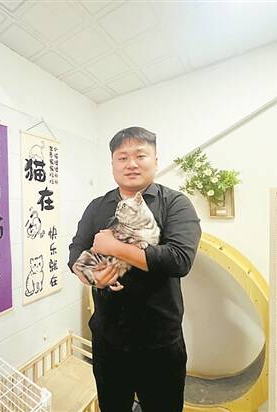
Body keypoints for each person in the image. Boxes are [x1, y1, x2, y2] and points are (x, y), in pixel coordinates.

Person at [68, 127, 201, 412]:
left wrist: (115, 247)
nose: (131, 164)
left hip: (160, 341)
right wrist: (91, 275)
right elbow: (75, 252)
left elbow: (179, 259)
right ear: (112, 164)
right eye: (122, 157)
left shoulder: (175, 204)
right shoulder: (97, 206)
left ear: (155, 160)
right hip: (108, 339)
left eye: (140, 155)